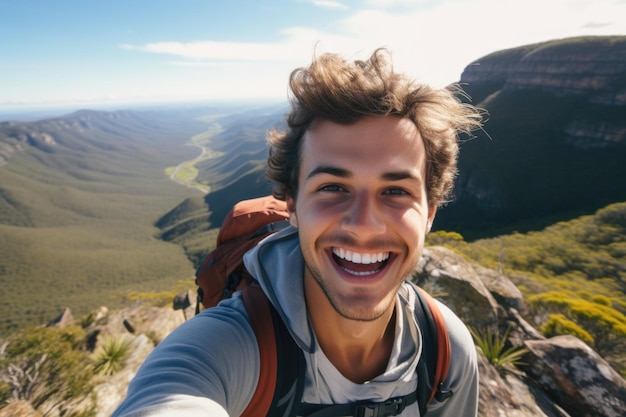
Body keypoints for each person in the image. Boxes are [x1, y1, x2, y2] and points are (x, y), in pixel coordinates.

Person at [112, 48, 483, 417]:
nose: (364, 224)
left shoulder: (445, 353)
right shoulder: (225, 347)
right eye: (333, 187)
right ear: (291, 206)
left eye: (396, 191)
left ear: (430, 213)